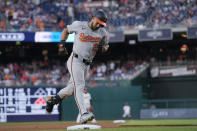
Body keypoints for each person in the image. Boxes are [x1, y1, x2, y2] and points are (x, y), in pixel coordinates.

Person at [46, 9, 109, 124]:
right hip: (75, 60)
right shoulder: (79, 25)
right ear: (93, 18)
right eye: (98, 22)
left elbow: (106, 46)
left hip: (87, 65)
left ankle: (52, 101)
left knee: (71, 90)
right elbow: (66, 30)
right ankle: (84, 114)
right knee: (80, 85)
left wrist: (103, 49)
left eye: (102, 24)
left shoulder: (103, 32)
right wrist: (61, 45)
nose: (99, 25)